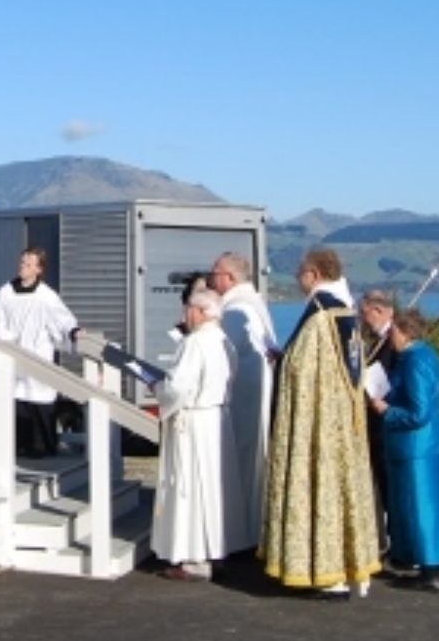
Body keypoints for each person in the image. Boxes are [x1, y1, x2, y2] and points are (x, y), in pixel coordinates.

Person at [261, 248, 379, 598]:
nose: (298, 278)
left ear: (313, 274)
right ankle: (342, 568)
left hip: (318, 423)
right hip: (343, 425)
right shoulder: (346, 313)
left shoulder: (319, 315)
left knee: (318, 488)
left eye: (300, 271)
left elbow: (303, 370)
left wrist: (283, 362)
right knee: (339, 490)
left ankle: (325, 574)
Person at [151, 288, 247, 581]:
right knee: (216, 490)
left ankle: (193, 557)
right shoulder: (224, 342)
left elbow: (179, 387)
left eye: (188, 309)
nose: (184, 315)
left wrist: (159, 390)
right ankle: (215, 548)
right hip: (218, 418)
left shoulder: (195, 342)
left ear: (200, 312)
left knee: (190, 488)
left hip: (194, 422)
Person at [368, 308, 439, 592]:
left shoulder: (415, 360)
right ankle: (421, 562)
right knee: (414, 505)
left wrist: (386, 410)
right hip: (419, 446)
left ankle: (431, 570)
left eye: (393, 330)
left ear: (403, 331)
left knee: (422, 507)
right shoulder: (420, 356)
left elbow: (418, 411)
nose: (389, 336)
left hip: (416, 446)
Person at [0, 246, 79, 457]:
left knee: (39, 401)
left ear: (39, 269)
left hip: (37, 359)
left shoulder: (46, 297)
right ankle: (17, 448)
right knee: (15, 403)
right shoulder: (5, 293)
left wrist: (73, 331)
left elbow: (63, 320)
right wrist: (8, 339)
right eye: (22, 262)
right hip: (12, 359)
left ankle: (43, 449)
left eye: (28, 264)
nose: (22, 267)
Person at [209, 251, 276, 543]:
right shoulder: (254, 303)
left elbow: (223, 353)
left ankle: (241, 532)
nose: (212, 278)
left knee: (242, 462)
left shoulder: (236, 310)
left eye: (216, 273)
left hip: (242, 397)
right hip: (255, 391)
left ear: (230, 278)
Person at [359, 289, 401, 563]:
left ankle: (395, 542)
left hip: (384, 415)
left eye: (364, 314)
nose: (363, 321)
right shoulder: (378, 340)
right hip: (376, 418)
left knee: (390, 484)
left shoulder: (392, 340)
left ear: (378, 311)